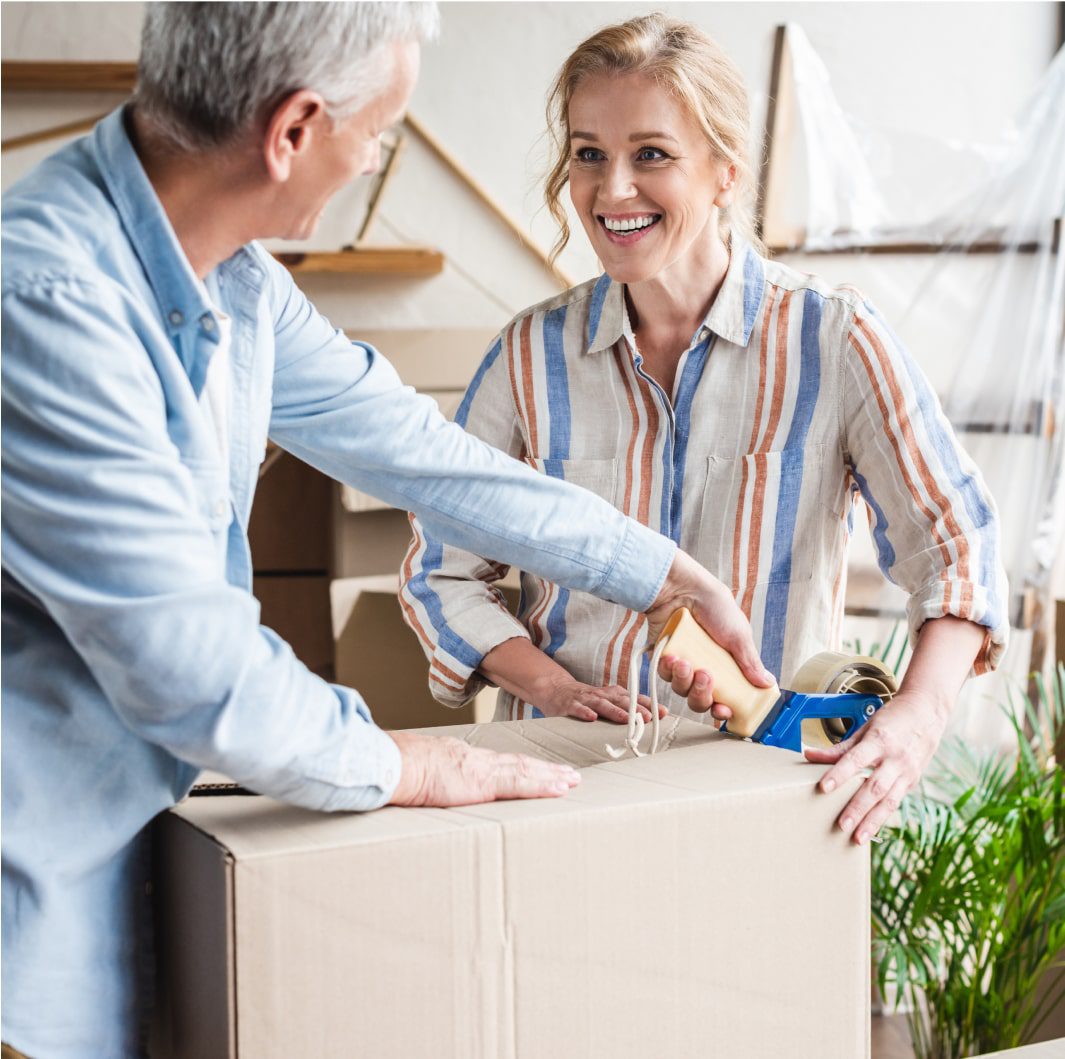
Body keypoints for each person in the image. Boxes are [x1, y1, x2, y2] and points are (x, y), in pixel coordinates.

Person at [0, 5, 774, 1057]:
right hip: (35, 912)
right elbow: (185, 662)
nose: (375, 161)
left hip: (156, 846)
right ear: (294, 131)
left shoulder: (234, 283)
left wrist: (665, 574)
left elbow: (422, 452)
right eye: (382, 133)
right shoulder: (45, 300)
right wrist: (407, 764)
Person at [401, 13, 1009, 850]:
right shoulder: (526, 357)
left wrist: (914, 719)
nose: (612, 190)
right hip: (565, 791)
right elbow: (441, 570)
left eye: (651, 154)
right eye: (588, 154)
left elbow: (960, 552)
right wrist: (548, 686)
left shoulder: (834, 341)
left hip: (769, 795)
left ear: (725, 171)